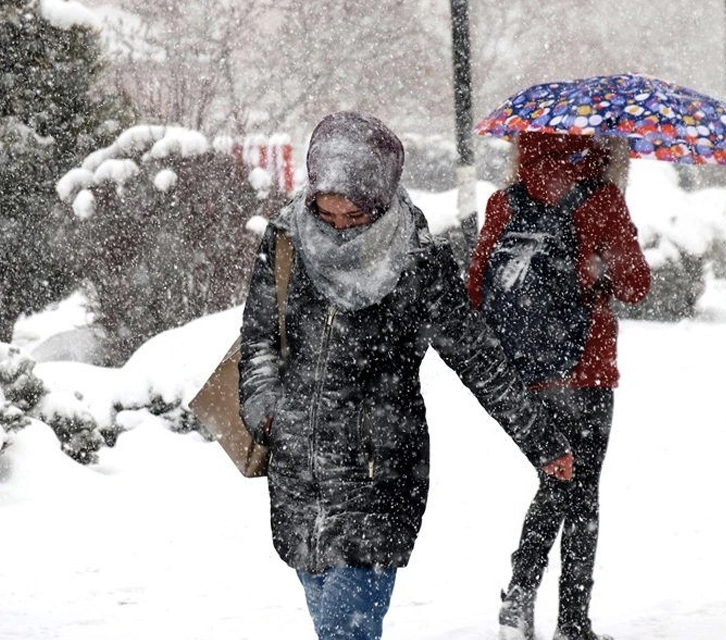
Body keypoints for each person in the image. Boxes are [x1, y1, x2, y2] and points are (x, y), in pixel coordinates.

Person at [238, 112, 574, 640]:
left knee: (347, 632)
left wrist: (540, 440)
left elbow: (477, 356)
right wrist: (267, 413)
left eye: (353, 217)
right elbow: (259, 338)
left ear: (379, 201)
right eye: (327, 214)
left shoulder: (416, 259)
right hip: (299, 477)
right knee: (333, 627)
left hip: (378, 473)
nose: (338, 229)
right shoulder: (287, 239)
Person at [467, 131, 651, 640]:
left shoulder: (504, 202)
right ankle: (571, 621)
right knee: (579, 492)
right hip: (585, 370)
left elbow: (476, 287)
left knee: (555, 479)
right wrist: (602, 262)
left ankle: (520, 596)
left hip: (528, 375)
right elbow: (637, 284)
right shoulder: (601, 198)